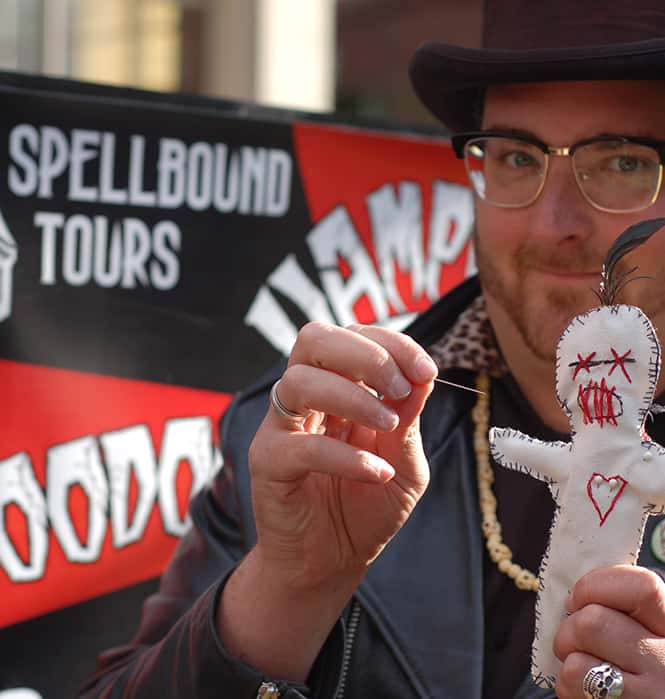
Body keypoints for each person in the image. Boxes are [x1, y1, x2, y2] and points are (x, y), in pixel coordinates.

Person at [81, 2, 665, 698]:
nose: (552, 222)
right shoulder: (325, 434)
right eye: (516, 156)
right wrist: (287, 591)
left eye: (623, 162)